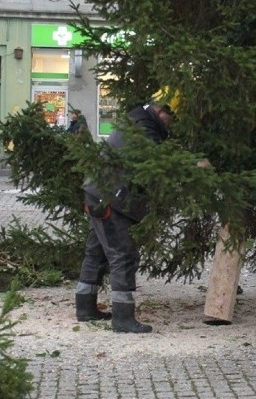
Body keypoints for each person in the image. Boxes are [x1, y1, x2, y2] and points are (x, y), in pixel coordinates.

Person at [75, 93, 179, 334]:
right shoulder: (144, 129)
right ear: (161, 110)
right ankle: (122, 318)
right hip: (111, 197)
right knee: (123, 254)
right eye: (171, 117)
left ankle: (85, 308)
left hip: (98, 192)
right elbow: (159, 160)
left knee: (96, 252)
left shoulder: (135, 120)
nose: (171, 123)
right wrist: (192, 165)